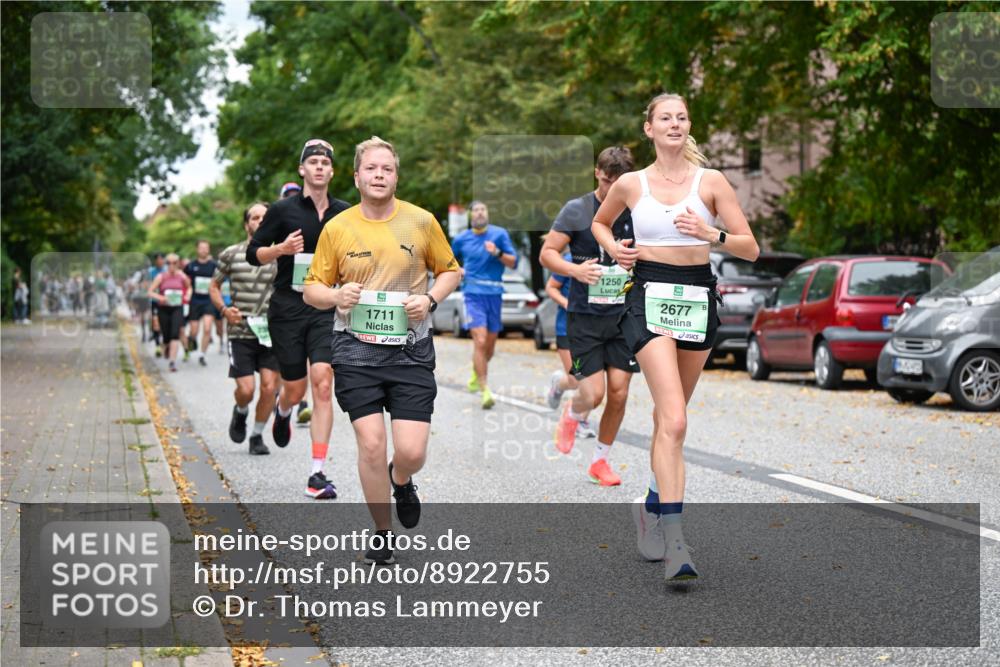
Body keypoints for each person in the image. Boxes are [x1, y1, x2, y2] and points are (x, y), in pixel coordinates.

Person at [593, 93, 759, 581]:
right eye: (665, 117)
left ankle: (649, 504)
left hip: (697, 298)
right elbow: (600, 224)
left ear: (688, 127)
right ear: (648, 128)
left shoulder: (711, 182)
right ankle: (676, 542)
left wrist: (712, 237)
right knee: (678, 420)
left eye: (681, 117)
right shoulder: (630, 183)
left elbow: (750, 247)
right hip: (648, 296)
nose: (674, 124)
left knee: (671, 420)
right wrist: (616, 252)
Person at [303, 136, 460, 565]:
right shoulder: (338, 228)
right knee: (371, 444)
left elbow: (449, 271)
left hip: (410, 350)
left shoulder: (421, 221)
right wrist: (336, 297)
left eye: (386, 169)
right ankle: (382, 531)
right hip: (355, 350)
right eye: (371, 169)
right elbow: (311, 290)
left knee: (410, 451)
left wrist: (428, 301)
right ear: (356, 177)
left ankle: (401, 478)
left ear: (395, 175)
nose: (378, 176)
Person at [247, 139, 350, 499]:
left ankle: (317, 473)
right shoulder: (281, 210)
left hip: (325, 308)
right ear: (302, 170)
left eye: (325, 162)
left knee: (323, 381)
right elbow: (252, 254)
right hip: (287, 309)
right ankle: (284, 408)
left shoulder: (346, 213)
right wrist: (280, 249)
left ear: (332, 171)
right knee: (295, 386)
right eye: (313, 162)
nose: (320, 167)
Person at [539, 146, 637, 487]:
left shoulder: (639, 210)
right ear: (598, 173)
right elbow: (547, 254)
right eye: (608, 181)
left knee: (620, 393)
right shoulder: (577, 210)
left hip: (625, 317)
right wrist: (574, 271)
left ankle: (600, 461)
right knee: (594, 393)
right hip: (585, 317)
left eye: (620, 184)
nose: (613, 191)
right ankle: (574, 412)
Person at [211, 202, 280, 456]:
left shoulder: (280, 255)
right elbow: (214, 286)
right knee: (246, 390)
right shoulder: (231, 254)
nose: (260, 221)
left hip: (270, 333)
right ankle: (240, 411)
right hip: (240, 331)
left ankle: (257, 435)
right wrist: (224, 310)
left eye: (265, 217)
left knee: (270, 388)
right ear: (246, 224)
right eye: (255, 217)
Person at [450, 201, 517, 409]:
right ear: (471, 216)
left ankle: (476, 371)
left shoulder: (499, 234)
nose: (479, 213)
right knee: (479, 341)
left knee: (489, 346)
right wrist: (457, 269)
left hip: (494, 294)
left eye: (482, 210)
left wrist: (497, 252)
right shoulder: (461, 239)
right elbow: (448, 260)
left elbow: (513, 262)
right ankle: (485, 388)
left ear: (487, 213)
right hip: (472, 294)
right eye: (476, 211)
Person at [544, 252, 597, 438]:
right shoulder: (569, 260)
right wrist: (567, 303)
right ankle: (558, 385)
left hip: (594, 331)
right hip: (567, 329)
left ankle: (580, 420)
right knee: (576, 379)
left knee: (591, 380)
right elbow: (551, 287)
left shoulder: (609, 259)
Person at [280, 180, 312, 425]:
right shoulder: (277, 222)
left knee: (314, 361)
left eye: (295, 194)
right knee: (290, 360)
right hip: (284, 305)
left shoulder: (314, 222)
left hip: (313, 301)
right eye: (288, 195)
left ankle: (302, 401)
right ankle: (286, 400)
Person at [147, 254, 192, 373]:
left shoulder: (182, 276)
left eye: (174, 263)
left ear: (178, 264)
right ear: (166, 264)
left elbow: (189, 288)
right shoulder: (161, 276)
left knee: (175, 334)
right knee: (166, 335)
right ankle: (166, 345)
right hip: (164, 309)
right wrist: (160, 298)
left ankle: (172, 362)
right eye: (169, 263)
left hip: (177, 308)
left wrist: (187, 295)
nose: (172, 265)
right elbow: (150, 292)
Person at [184, 241, 219, 367]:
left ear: (209, 250)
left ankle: (202, 355)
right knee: (194, 331)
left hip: (208, 300)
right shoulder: (191, 266)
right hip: (195, 300)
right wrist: (187, 293)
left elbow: (218, 281)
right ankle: (187, 347)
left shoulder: (214, 265)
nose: (204, 250)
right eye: (201, 248)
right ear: (197, 249)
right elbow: (185, 282)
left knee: (208, 328)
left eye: (206, 248)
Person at [148, 253, 166, 356]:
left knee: (164, 324)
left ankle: (164, 343)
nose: (159, 261)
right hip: (155, 301)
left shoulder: (167, 270)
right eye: (157, 259)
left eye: (161, 259)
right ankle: (157, 345)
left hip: (165, 302)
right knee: (155, 323)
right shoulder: (151, 272)